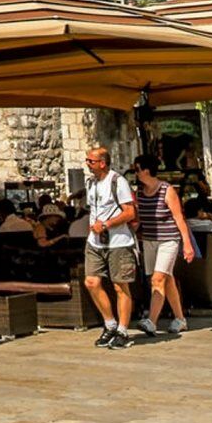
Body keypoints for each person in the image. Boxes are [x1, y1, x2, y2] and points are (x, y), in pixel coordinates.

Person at [130, 157, 197, 337]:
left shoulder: (167, 190)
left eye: (137, 169)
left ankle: (151, 321)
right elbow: (139, 219)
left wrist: (187, 244)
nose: (135, 173)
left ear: (146, 170)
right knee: (167, 280)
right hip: (150, 240)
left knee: (157, 279)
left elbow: (179, 218)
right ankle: (180, 319)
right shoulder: (140, 193)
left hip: (169, 240)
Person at [80, 146, 138, 348]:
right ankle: (110, 324)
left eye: (91, 161)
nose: (87, 164)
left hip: (118, 242)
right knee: (91, 282)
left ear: (102, 163)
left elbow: (130, 212)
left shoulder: (117, 181)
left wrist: (106, 224)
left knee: (120, 286)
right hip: (95, 241)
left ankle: (123, 330)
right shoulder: (90, 183)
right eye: (87, 160)